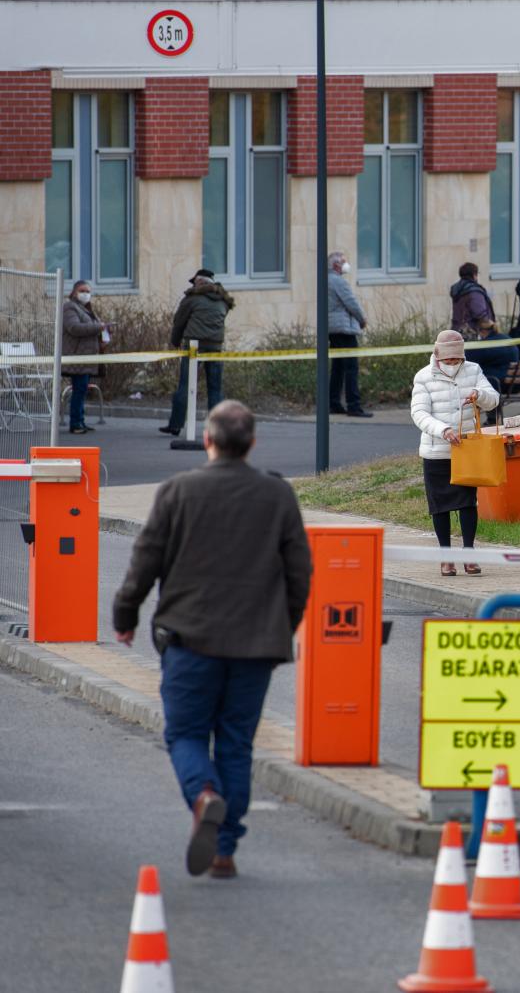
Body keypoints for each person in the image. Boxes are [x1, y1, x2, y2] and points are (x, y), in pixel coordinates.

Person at [113, 401, 311, 879]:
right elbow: (300, 571)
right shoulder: (277, 495)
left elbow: (145, 561)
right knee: (237, 743)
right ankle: (224, 849)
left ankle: (204, 795)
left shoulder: (177, 490)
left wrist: (125, 614)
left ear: (207, 439)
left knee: (184, 734)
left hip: (189, 639)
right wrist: (282, 625)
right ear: (253, 444)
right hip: (254, 647)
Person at [411, 330, 500, 577]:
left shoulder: (473, 370)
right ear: (437, 355)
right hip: (436, 450)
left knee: (467, 502)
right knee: (439, 506)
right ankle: (445, 557)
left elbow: (493, 399)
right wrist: (443, 430)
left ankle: (468, 554)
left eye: (456, 360)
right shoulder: (423, 377)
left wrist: (479, 395)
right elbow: (419, 413)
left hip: (466, 450)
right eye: (447, 360)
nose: (452, 364)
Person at [160, 269, 232, 436]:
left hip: (194, 346)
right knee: (215, 388)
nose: (193, 285)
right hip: (216, 346)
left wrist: (175, 341)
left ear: (200, 282)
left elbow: (179, 322)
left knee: (185, 386)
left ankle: (175, 425)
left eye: (195, 282)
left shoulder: (192, 299)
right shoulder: (223, 300)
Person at [326, 251, 372, 418]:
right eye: (343, 261)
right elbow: (351, 302)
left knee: (338, 367)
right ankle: (354, 405)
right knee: (351, 368)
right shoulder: (338, 281)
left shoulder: (326, 281)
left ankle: (334, 403)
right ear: (336, 265)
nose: (346, 264)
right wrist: (362, 319)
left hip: (332, 330)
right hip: (344, 329)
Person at [60, 279, 107, 435]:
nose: (85, 294)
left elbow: (93, 328)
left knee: (82, 390)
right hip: (76, 356)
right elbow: (74, 328)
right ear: (74, 292)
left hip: (86, 357)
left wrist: (104, 330)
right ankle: (75, 423)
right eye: (82, 291)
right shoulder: (69, 308)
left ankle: (80, 421)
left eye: (88, 291)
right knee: (79, 390)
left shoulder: (86, 309)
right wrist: (97, 327)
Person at [473, 317, 518, 402]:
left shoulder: (485, 345)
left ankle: (491, 414)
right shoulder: (508, 339)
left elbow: (471, 361)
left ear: (482, 331)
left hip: (496, 384)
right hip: (515, 384)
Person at [449, 263, 495, 340]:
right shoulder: (474, 292)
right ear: (474, 275)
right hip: (472, 333)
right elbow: (480, 313)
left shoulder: (459, 289)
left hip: (457, 330)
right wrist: (491, 325)